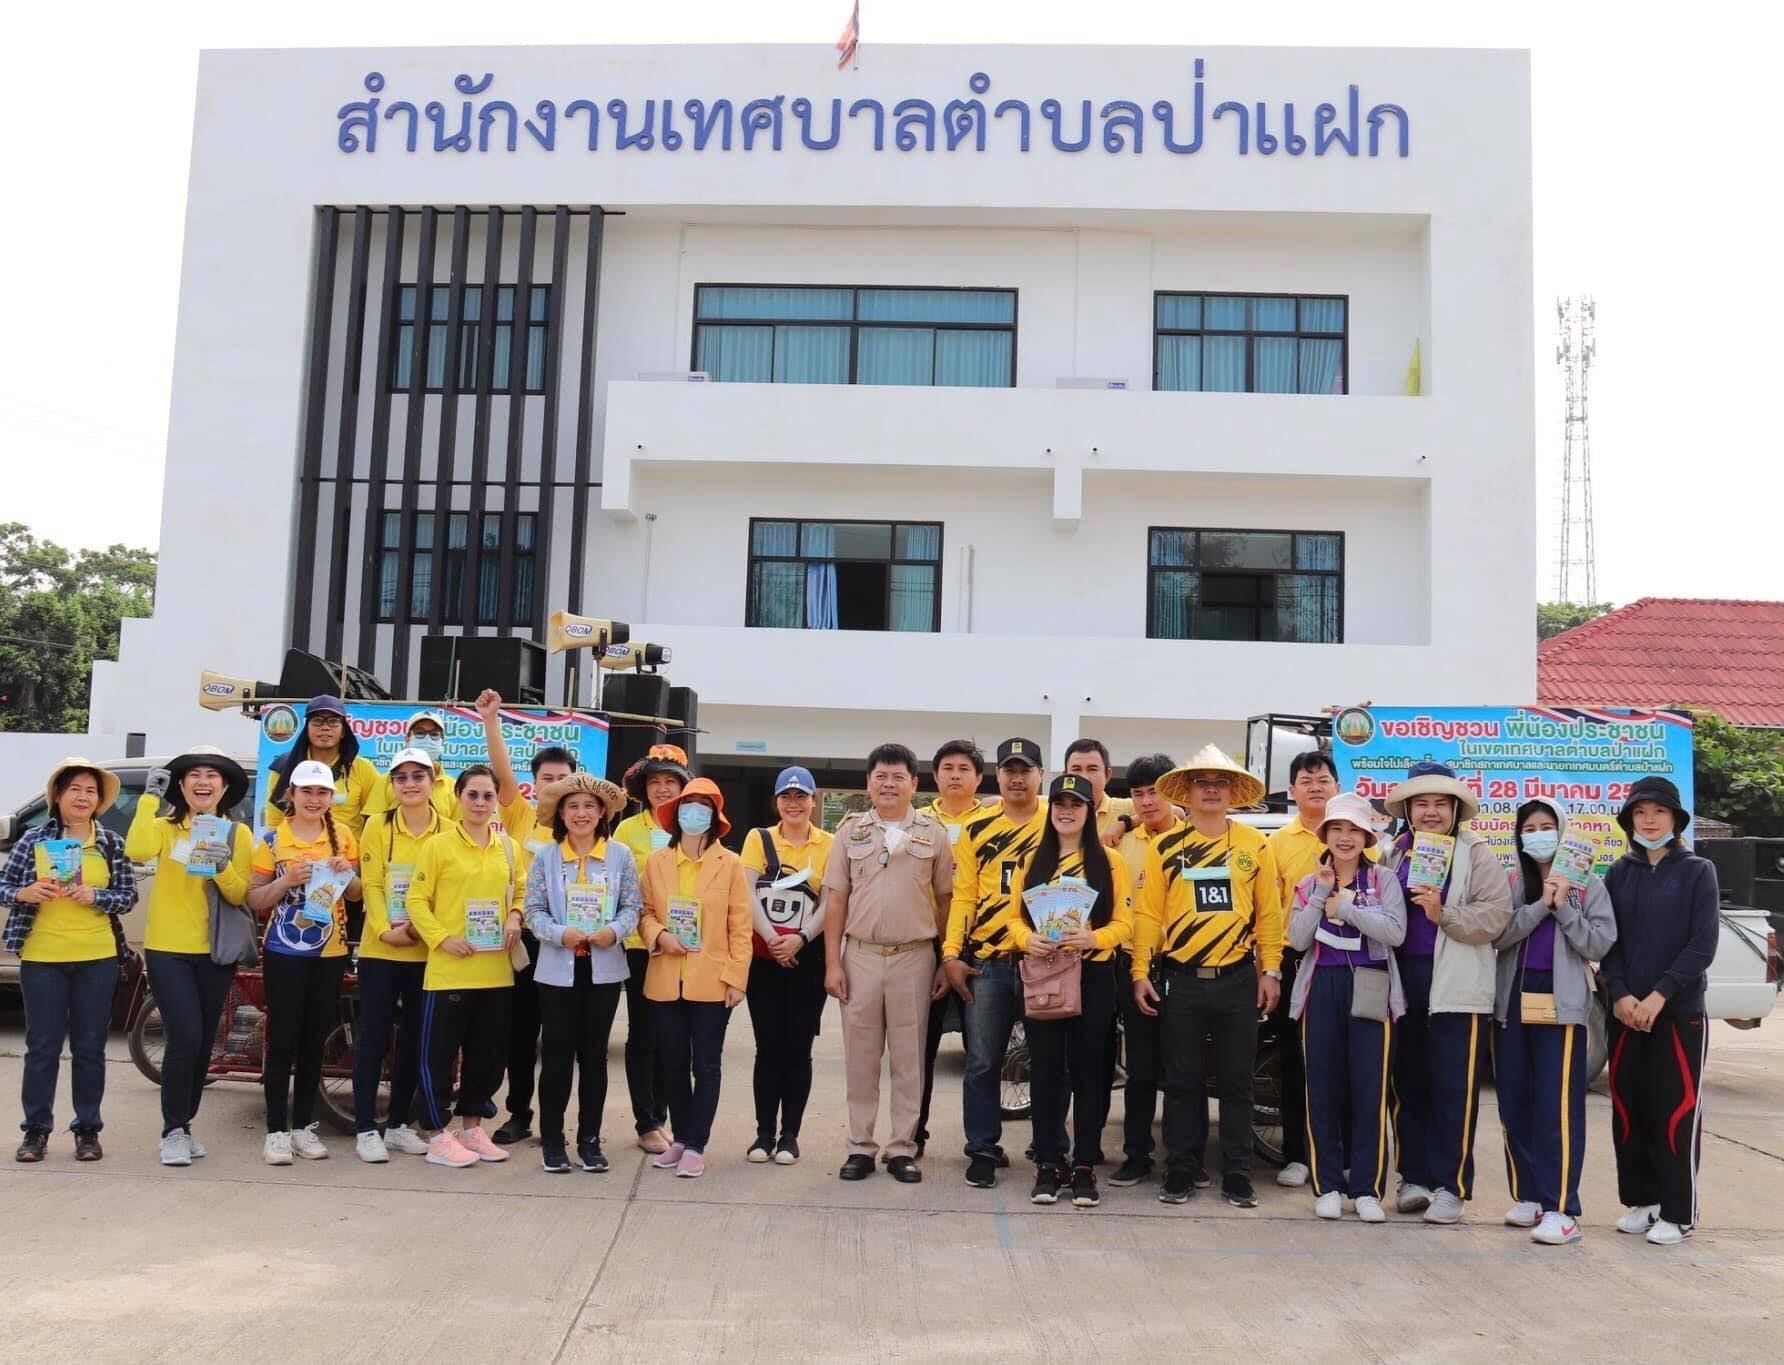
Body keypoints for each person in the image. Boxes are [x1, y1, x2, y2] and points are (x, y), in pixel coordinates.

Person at [1133, 745, 1282, 1209]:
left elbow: (1270, 916)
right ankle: (1181, 1169)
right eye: (1202, 783)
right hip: (1182, 980)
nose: (1212, 790)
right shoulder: (1165, 847)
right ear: (1189, 791)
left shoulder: (1255, 846)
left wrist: (1271, 971)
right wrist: (1140, 971)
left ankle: (1237, 1175)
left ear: (1233, 792)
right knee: (1182, 1081)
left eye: (1220, 783)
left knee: (1237, 1082)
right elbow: (1147, 914)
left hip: (1238, 980)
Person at [1379, 760, 1513, 1224]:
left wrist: (1444, 914)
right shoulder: (1392, 853)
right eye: (1422, 803)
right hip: (1403, 986)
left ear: (1456, 809)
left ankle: (1450, 1187)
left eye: (1440, 803)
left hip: (1457, 989)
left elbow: (1496, 916)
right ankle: (1411, 1178)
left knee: (1454, 1090)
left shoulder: (1476, 854)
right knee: (1407, 1084)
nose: (1431, 812)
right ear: (1408, 810)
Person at [823, 745, 954, 1183]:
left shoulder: (934, 835)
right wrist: (832, 964)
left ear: (915, 785)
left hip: (914, 957)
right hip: (859, 956)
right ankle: (860, 1146)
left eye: (899, 776)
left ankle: (902, 1147)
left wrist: (941, 960)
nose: (889, 783)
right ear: (868, 782)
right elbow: (836, 899)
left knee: (908, 1057)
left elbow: (945, 901)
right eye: (881, 776)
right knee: (860, 1058)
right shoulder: (849, 833)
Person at [1006, 773, 1134, 1208]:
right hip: (1044, 975)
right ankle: (1048, 1163)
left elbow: (1126, 924)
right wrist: (1028, 940)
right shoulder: (1031, 860)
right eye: (1060, 802)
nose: (1067, 810)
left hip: (1093, 977)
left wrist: (1094, 939)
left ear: (1088, 809)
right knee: (1044, 1071)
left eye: (1076, 804)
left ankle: (1083, 1165)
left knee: (1089, 1074)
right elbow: (1013, 921)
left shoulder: (1110, 861)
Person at [1600, 776, 1719, 1246]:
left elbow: (1701, 944)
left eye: (1658, 812)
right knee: (1631, 1110)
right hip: (1626, 1013)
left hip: (1676, 1013)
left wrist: (1658, 996)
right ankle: (1643, 1202)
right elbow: (1609, 942)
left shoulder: (1697, 871)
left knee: (1676, 1112)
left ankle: (1679, 1211)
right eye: (1640, 813)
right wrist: (1623, 995)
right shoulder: (1619, 872)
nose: (1649, 821)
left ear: (1675, 819)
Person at [1494, 797, 1617, 1245]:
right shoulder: (1513, 881)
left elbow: (1599, 943)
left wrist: (1564, 904)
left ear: (1561, 831)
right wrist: (1540, 905)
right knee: (1514, 1100)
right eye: (1530, 828)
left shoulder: (1589, 886)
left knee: (1557, 1107)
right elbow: (1501, 933)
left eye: (1547, 826)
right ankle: (1528, 1194)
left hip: (1560, 1004)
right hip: (1512, 1002)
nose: (1538, 834)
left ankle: (1561, 1206)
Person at [125, 746, 254, 1166]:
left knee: (202, 1045)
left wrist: (221, 865)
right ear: (180, 785)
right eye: (194, 775)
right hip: (167, 949)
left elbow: (239, 894)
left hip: (215, 952)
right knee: (185, 1037)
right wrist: (148, 798)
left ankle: (185, 1123)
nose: (203, 781)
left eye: (212, 775)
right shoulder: (165, 828)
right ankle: (173, 1130)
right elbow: (137, 851)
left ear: (225, 787)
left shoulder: (238, 835)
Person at [2, 758, 135, 1164]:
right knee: (41, 1047)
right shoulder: (32, 842)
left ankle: (87, 1130)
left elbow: (126, 896)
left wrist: (97, 896)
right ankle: (36, 1131)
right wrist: (26, 892)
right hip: (42, 957)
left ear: (99, 801)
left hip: (97, 958)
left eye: (90, 791)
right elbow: (5, 886)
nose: (82, 796)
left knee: (90, 1047)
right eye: (74, 788)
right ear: (57, 796)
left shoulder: (110, 843)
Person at [1286, 792, 1407, 1224]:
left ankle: (1368, 1188)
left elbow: (1395, 932)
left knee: (1370, 1090)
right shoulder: (1308, 882)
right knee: (1322, 1089)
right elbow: (1298, 939)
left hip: (1372, 986)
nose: (1345, 837)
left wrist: (1350, 908)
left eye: (1354, 829)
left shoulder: (1383, 881)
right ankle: (1329, 1184)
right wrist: (1321, 896)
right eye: (1336, 828)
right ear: (1325, 834)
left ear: (1367, 837)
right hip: (1323, 988)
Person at [405, 764, 526, 1168]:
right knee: (438, 1056)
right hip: (449, 970)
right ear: (458, 797)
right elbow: (415, 901)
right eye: (472, 794)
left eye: (488, 796)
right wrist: (442, 939)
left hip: (495, 972)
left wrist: (514, 916)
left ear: (496, 801)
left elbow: (521, 889)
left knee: (487, 1055)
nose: (480, 802)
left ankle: (472, 1128)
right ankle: (437, 1132)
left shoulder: (506, 847)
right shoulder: (437, 846)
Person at [469, 689, 574, 1148]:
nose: (555, 783)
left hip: (569, 943)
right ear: (534, 783)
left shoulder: (584, 824)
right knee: (519, 1034)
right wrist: (491, 721)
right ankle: (519, 1114)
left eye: (563, 777)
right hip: (523, 939)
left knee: (561, 1040)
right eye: (547, 777)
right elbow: (501, 770)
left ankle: (556, 1120)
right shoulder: (520, 816)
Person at [942, 737, 1048, 1188]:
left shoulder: (1060, 820)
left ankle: (1048, 1148)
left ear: (1041, 775)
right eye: (1009, 769)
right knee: (984, 1061)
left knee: (1048, 1062)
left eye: (1026, 769)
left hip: (1046, 963)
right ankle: (982, 1148)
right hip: (989, 963)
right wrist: (951, 953)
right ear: (998, 776)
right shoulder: (978, 827)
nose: (1017, 777)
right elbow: (964, 894)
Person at [248, 759, 361, 1165]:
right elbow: (254, 898)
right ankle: (276, 1130)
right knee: (283, 1040)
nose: (314, 799)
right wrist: (285, 881)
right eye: (307, 791)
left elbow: (357, 895)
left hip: (330, 953)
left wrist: (348, 872)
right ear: (291, 795)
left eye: (322, 792)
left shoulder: (344, 836)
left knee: (315, 1039)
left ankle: (302, 1127)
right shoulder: (272, 840)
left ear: (331, 798)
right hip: (283, 952)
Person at [524, 773, 639, 1174]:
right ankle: (552, 1142)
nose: (581, 813)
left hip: (604, 969)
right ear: (561, 813)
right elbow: (533, 911)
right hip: (558, 970)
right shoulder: (546, 856)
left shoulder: (621, 855)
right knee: (556, 1057)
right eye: (572, 806)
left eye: (589, 806)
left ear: (602, 812)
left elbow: (632, 907)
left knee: (595, 1058)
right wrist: (560, 933)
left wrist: (613, 931)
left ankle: (590, 1139)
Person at [639, 778, 751, 1178]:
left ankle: (697, 1143)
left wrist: (737, 978)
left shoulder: (731, 864)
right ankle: (682, 1139)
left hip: (712, 979)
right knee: (671, 1063)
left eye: (703, 807)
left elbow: (741, 925)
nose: (694, 814)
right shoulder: (657, 862)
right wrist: (659, 936)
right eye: (688, 806)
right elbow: (645, 911)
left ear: (715, 816)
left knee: (706, 1065)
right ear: (675, 815)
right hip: (666, 977)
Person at [352, 746, 446, 1163]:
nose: (410, 784)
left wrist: (420, 931)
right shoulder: (377, 826)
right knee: (372, 1039)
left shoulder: (449, 828)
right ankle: (364, 1128)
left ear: (432, 782)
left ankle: (397, 1126)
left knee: (413, 1042)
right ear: (392, 786)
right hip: (381, 949)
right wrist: (383, 930)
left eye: (418, 776)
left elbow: (446, 890)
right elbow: (370, 884)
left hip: (427, 953)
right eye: (401, 777)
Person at [1265, 750, 1351, 1190]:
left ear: (1337, 786)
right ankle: (1298, 1154)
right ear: (1292, 790)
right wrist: (1272, 970)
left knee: (1352, 1062)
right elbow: (1267, 911)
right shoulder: (1276, 844)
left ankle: (1352, 1156)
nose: (1315, 786)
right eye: (1306, 780)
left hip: (1354, 961)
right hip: (1297, 959)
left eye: (1323, 779)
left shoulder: (1361, 838)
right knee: (1297, 1062)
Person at [742, 766, 834, 1166]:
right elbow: (745, 894)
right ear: (776, 801)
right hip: (764, 959)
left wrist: (800, 939)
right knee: (767, 1048)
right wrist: (772, 939)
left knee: (799, 1049)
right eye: (786, 797)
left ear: (813, 801)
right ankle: (763, 1133)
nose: (793, 804)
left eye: (801, 797)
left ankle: (790, 1135)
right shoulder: (758, 839)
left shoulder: (830, 843)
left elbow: (832, 900)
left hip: (807, 959)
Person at [913, 739, 996, 1160]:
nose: (955, 775)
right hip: (926, 945)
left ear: (978, 778)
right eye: (947, 767)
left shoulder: (995, 818)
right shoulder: (918, 821)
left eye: (965, 768)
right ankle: (913, 1134)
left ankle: (981, 1143)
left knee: (982, 1052)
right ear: (935, 776)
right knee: (920, 1049)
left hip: (978, 947)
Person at [611, 744, 689, 1154]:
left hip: (681, 947)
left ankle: (661, 1115)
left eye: (670, 782)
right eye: (655, 782)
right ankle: (646, 1121)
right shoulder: (626, 830)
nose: (662, 789)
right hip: (641, 946)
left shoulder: (691, 827)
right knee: (643, 1034)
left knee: (672, 1034)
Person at [1107, 752, 1177, 1188]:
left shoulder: (1194, 837)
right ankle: (1137, 1154)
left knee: (1183, 1070)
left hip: (1185, 965)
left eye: (1156, 792)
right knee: (1141, 1069)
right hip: (1133, 964)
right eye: (1138, 794)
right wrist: (1123, 825)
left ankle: (1182, 1157)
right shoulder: (1120, 844)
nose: (1148, 801)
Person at [262, 695, 379, 837]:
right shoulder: (285, 767)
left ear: (343, 731)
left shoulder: (362, 769)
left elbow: (375, 818)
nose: (325, 727)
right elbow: (275, 822)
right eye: (317, 721)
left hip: (347, 856)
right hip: (297, 855)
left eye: (333, 721)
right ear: (307, 728)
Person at [361, 709, 458, 820]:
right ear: (407, 739)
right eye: (420, 733)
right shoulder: (386, 780)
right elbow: (371, 821)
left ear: (442, 742)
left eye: (434, 734)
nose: (427, 739)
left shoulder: (453, 786)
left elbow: (458, 829)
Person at [1062, 738, 1137, 850]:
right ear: (1065, 776)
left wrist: (1125, 823)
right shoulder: (1053, 813)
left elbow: (1169, 811)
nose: (1084, 777)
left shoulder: (1128, 808)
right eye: (1076, 769)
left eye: (1092, 769)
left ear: (1107, 775)